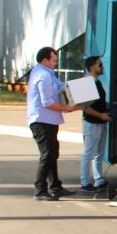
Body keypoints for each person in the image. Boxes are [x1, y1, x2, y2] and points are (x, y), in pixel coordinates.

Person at [27, 47, 81, 201]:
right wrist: (67, 108)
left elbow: (62, 87)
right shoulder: (42, 76)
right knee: (47, 155)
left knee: (53, 154)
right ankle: (40, 191)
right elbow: (47, 102)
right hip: (41, 121)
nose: (56, 63)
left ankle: (55, 186)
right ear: (45, 60)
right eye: (54, 60)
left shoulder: (47, 73)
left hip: (49, 120)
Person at [80, 56, 110, 192]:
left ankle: (99, 179)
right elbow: (85, 108)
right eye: (100, 65)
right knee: (88, 154)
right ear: (92, 67)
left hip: (101, 122)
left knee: (99, 153)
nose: (102, 67)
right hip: (92, 124)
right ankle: (85, 182)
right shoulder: (86, 83)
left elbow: (97, 102)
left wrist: (108, 107)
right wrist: (101, 115)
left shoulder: (97, 82)